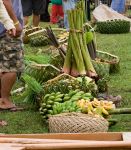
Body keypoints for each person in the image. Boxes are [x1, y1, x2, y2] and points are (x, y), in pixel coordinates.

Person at [0, 0, 24, 110]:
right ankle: (5, 100)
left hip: (5, 27)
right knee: (11, 65)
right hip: (8, 30)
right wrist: (15, 22)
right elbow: (5, 1)